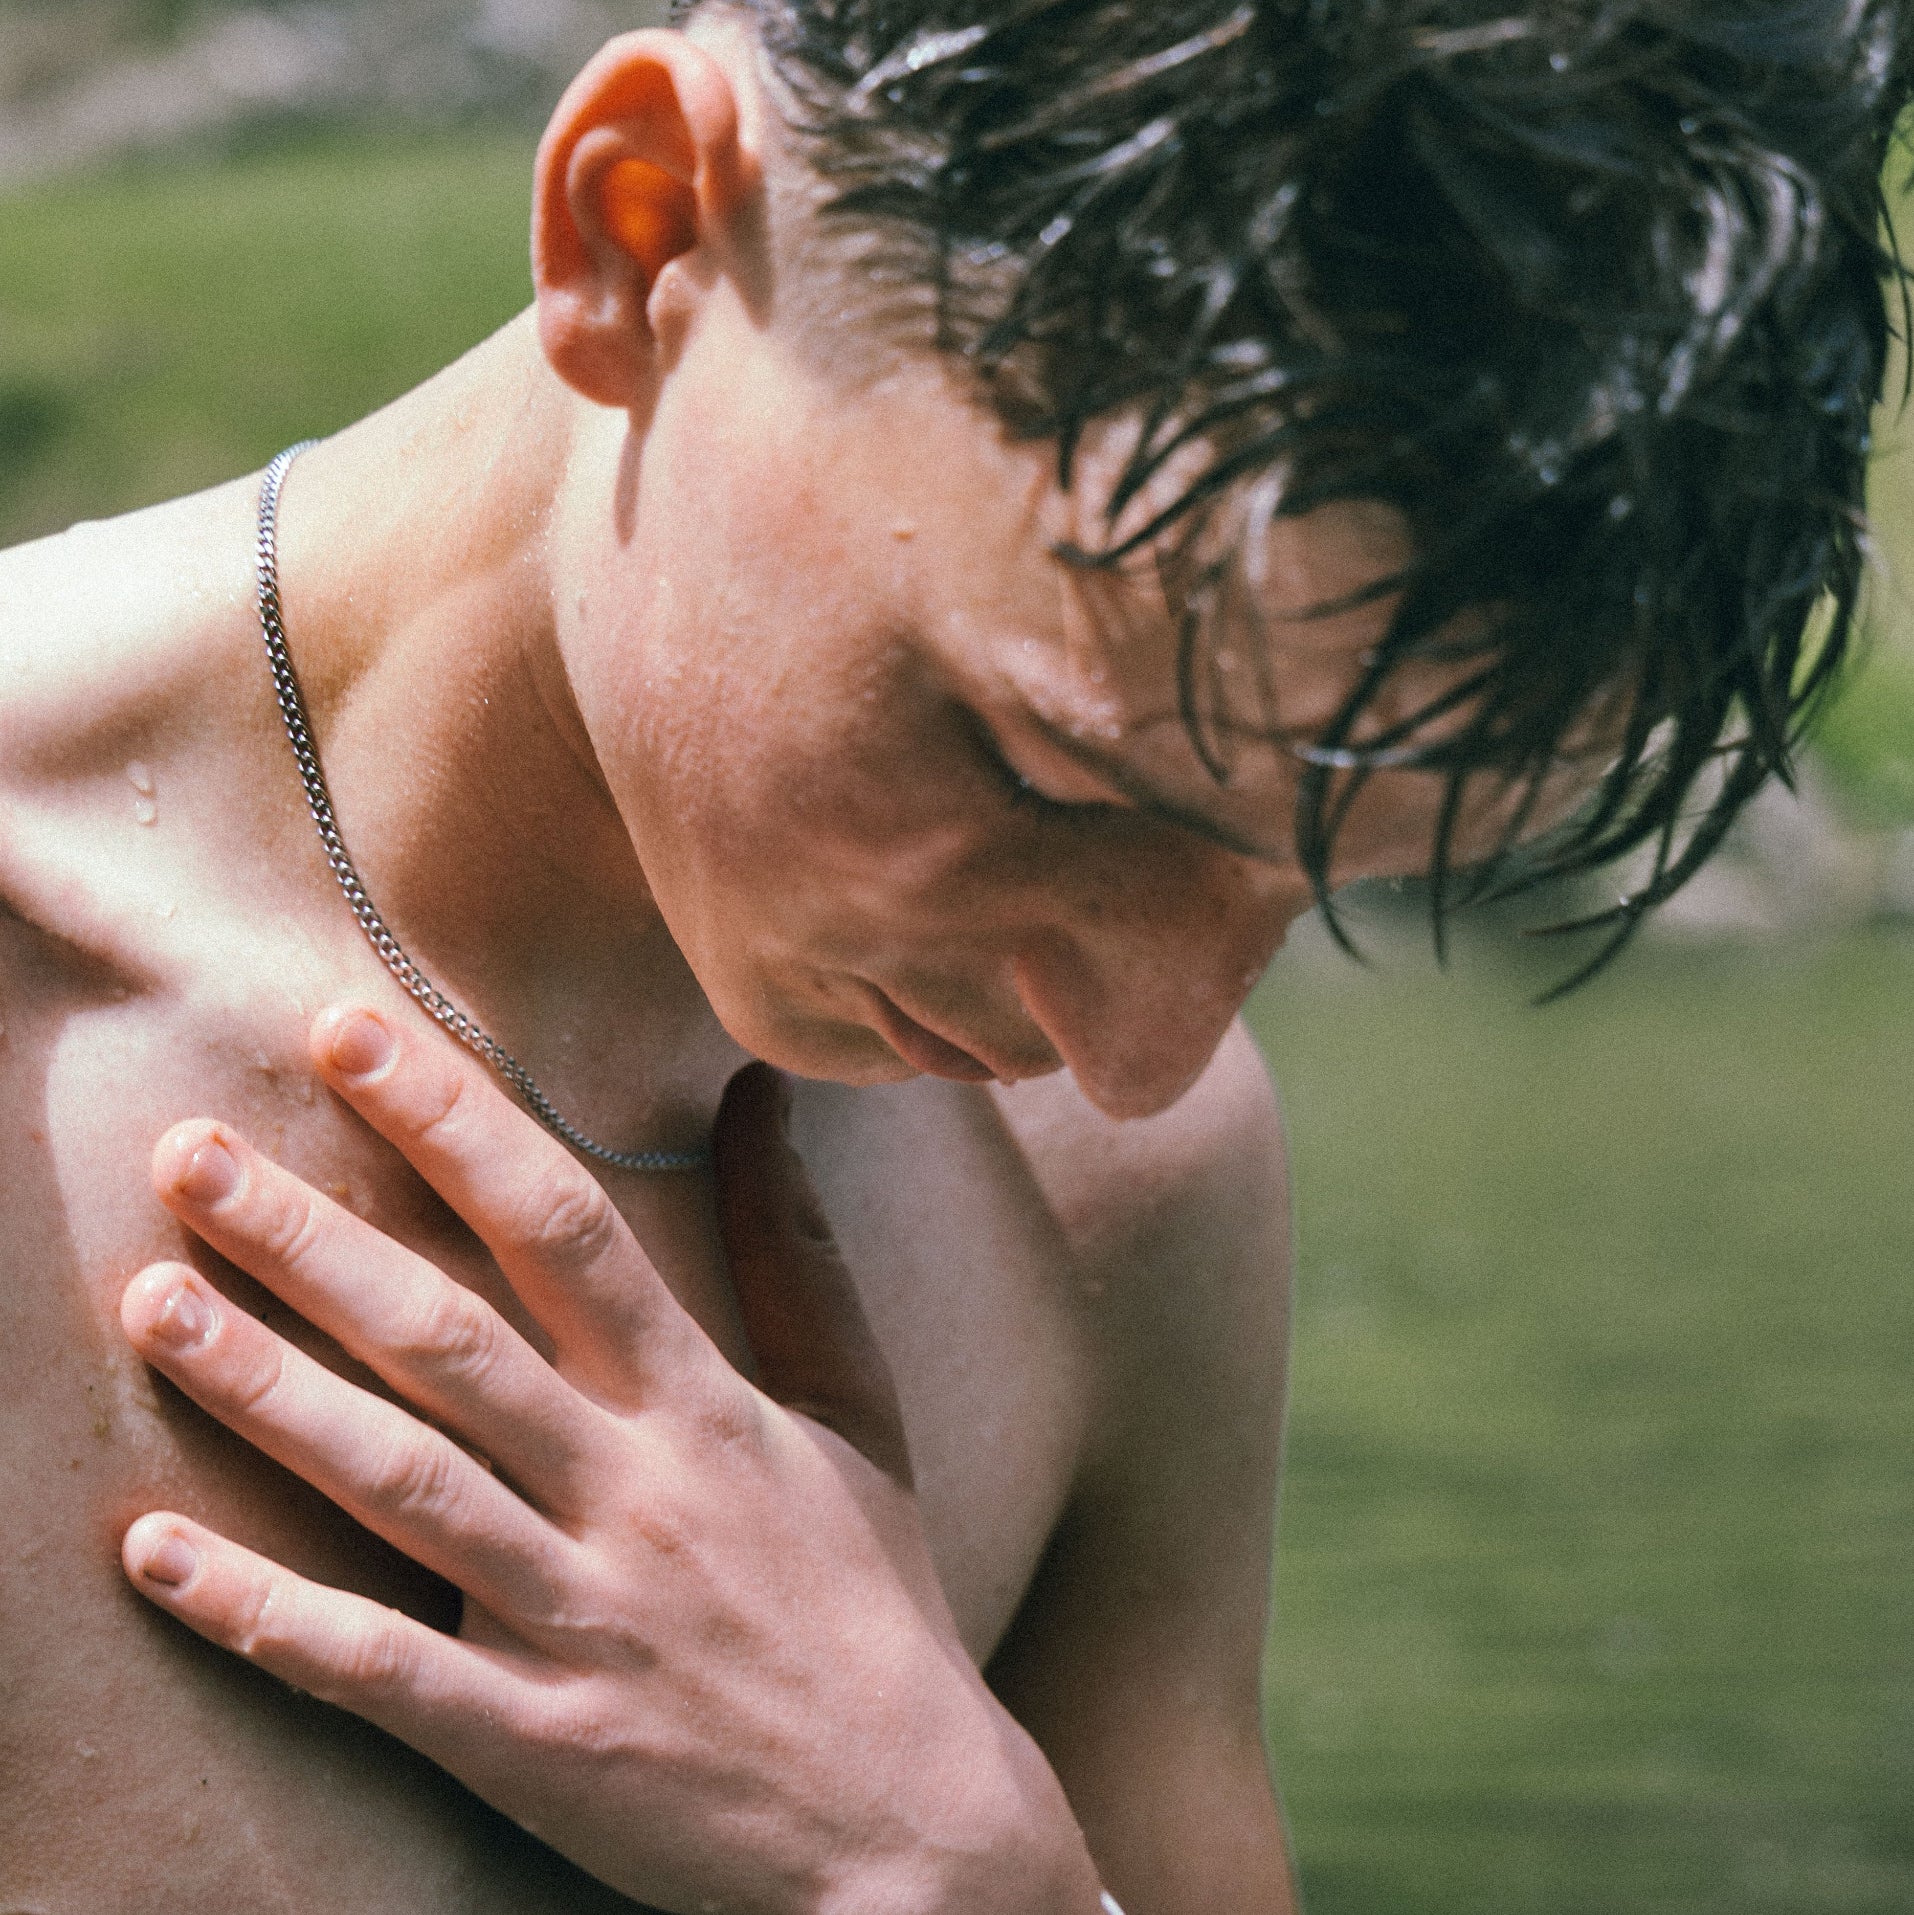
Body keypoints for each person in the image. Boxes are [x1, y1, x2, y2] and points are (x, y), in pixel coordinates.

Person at [0, 2, 1901, 1910]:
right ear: (639, 232)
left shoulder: (1118, 1194)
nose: (1144, 1056)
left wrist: (948, 1870)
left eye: (1310, 881)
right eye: (1051, 776)